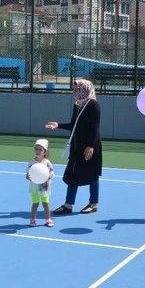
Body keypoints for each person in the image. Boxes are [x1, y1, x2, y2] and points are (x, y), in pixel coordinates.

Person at [45, 79, 102, 215]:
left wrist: (90, 146)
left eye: (77, 89)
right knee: (73, 173)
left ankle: (93, 204)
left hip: (91, 145)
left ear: (85, 89)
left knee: (92, 174)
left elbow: (95, 128)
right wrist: (58, 125)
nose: (74, 91)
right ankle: (68, 205)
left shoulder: (93, 105)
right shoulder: (77, 105)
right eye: (74, 89)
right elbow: (73, 125)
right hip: (77, 145)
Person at [25, 138, 55, 227]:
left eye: (40, 149)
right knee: (35, 203)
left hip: (44, 186)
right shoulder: (31, 163)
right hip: (34, 187)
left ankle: (48, 219)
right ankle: (33, 220)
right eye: (36, 149)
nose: (37, 151)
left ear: (45, 152)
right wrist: (28, 177)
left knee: (45, 203)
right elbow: (28, 174)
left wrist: (50, 176)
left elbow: (52, 172)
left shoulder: (47, 162)